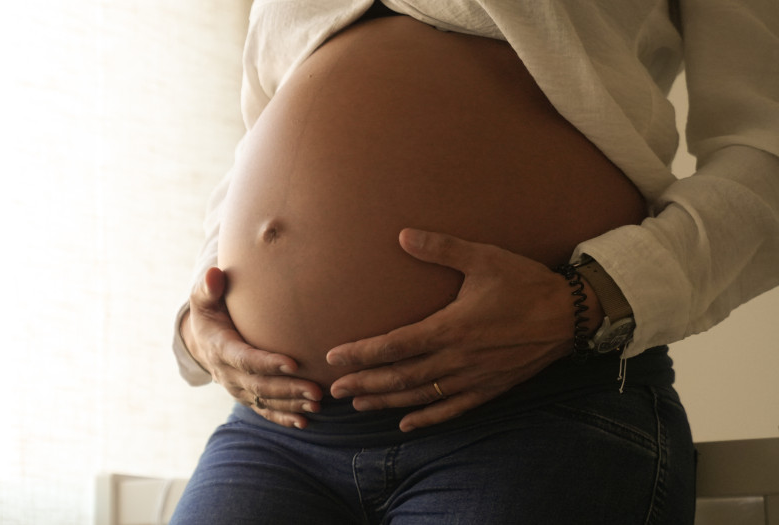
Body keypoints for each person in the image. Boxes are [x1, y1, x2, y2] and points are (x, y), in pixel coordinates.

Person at [168, 0, 779, 523]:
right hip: (281, 430)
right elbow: (261, 141)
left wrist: (589, 297)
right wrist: (202, 318)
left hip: (535, 413)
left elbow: (765, 149)